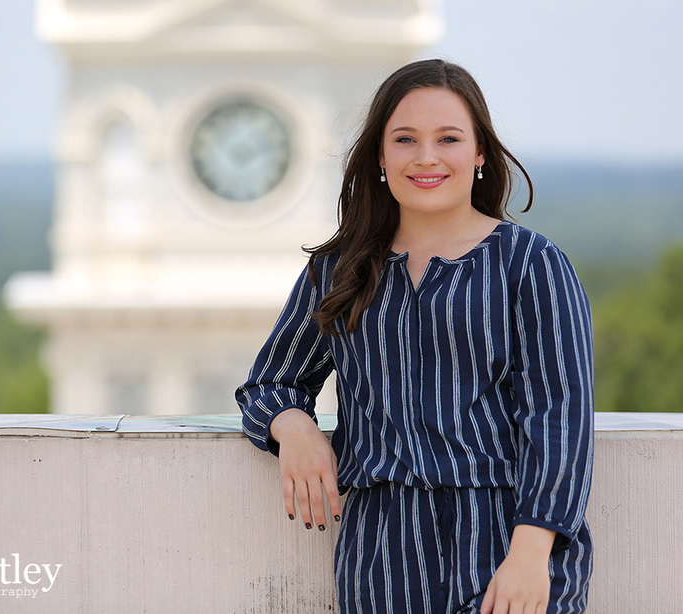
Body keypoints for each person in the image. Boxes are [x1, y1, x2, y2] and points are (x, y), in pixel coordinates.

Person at [236, 59, 593, 614]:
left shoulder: (531, 264)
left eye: (448, 138)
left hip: (504, 546)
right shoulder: (341, 270)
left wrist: (530, 553)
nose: (426, 157)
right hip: (378, 556)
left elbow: (559, 417)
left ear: (479, 154)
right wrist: (295, 427)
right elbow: (267, 386)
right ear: (380, 157)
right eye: (405, 139)